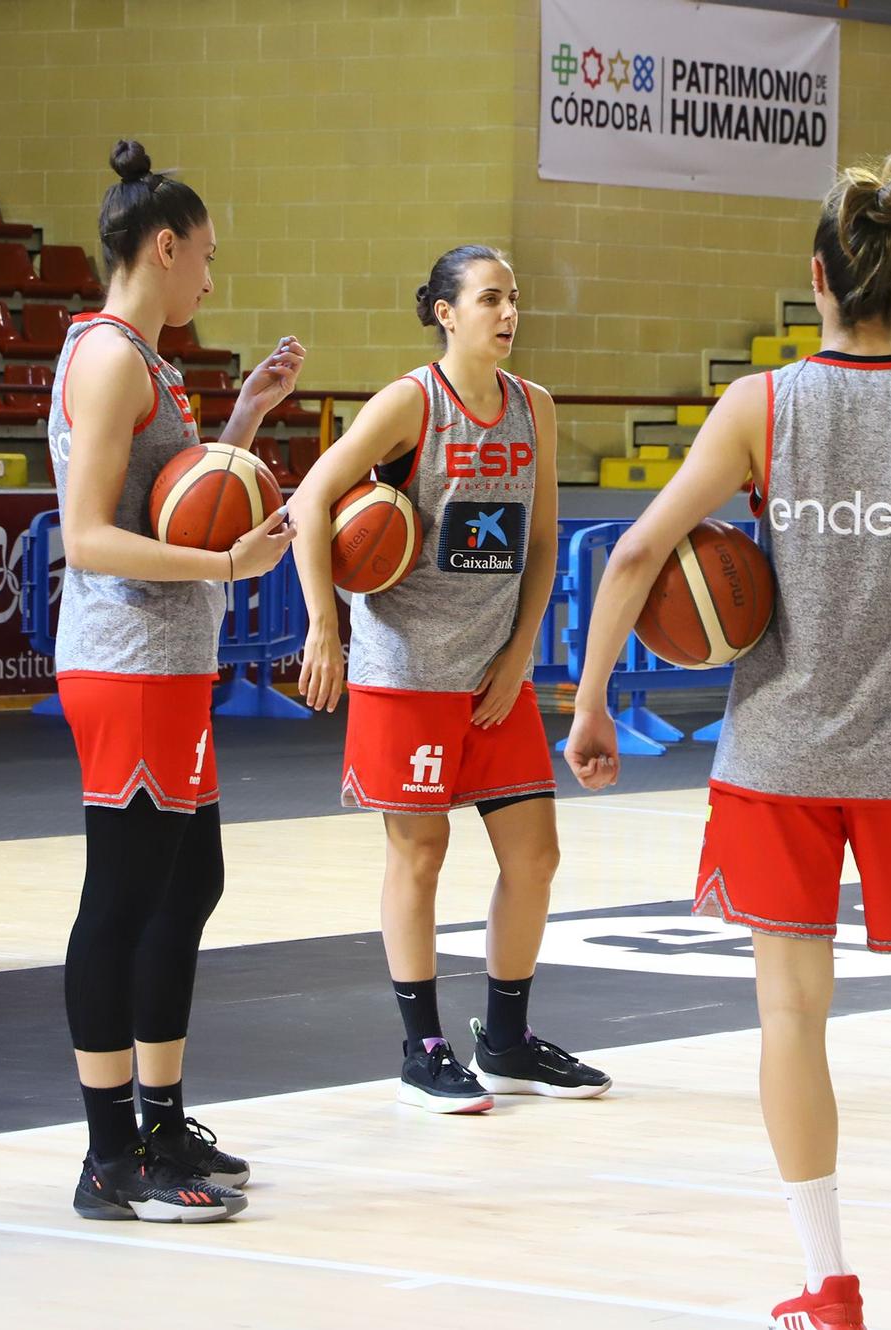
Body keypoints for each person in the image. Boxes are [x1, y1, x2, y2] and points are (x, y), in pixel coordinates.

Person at [562, 154, 891, 1329]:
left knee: (790, 1018)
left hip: (775, 760)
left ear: (816, 279)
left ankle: (827, 1286)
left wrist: (585, 699)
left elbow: (631, 556)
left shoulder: (761, 407)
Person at [286, 245, 611, 1114]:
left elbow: (541, 547)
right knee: (420, 854)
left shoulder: (533, 409)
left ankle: (505, 1043)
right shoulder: (410, 403)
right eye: (491, 298)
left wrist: (519, 656)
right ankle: (421, 1046)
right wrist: (327, 621)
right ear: (446, 312)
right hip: (406, 670)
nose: (508, 314)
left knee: (535, 856)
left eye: (515, 299)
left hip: (493, 674)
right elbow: (314, 497)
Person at [52, 139, 303, 1222]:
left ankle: (159, 1119)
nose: (210, 275)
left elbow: (175, 489)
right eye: (203, 255)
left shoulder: (145, 359)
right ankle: (109, 1157)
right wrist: (226, 565)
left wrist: (242, 420)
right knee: (120, 899)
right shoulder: (109, 356)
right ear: (163, 246)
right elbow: (88, 536)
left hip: (168, 662)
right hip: (124, 663)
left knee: (185, 885)